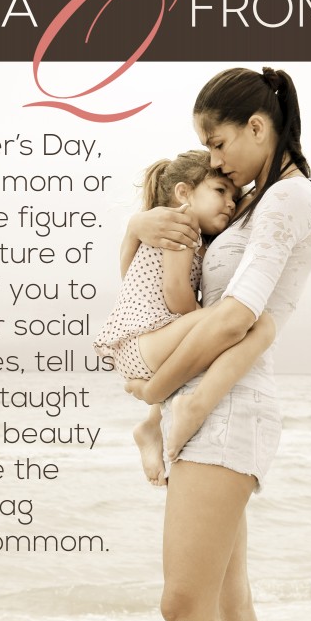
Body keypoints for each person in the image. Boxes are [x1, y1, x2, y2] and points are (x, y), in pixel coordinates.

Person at [122, 67, 311, 621]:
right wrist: (141, 222)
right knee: (228, 607)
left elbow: (242, 318)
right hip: (212, 405)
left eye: (217, 142)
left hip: (227, 410)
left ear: (256, 126)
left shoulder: (289, 199)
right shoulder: (263, 202)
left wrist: (158, 393)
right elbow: (154, 295)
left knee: (182, 607)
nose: (216, 161)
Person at [93, 150, 275, 485]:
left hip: (145, 345)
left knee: (222, 327)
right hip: (143, 343)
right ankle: (157, 419)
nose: (231, 203)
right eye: (220, 191)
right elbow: (176, 293)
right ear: (183, 193)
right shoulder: (183, 222)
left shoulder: (193, 234)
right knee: (234, 318)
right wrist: (207, 323)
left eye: (234, 197)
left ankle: (151, 425)